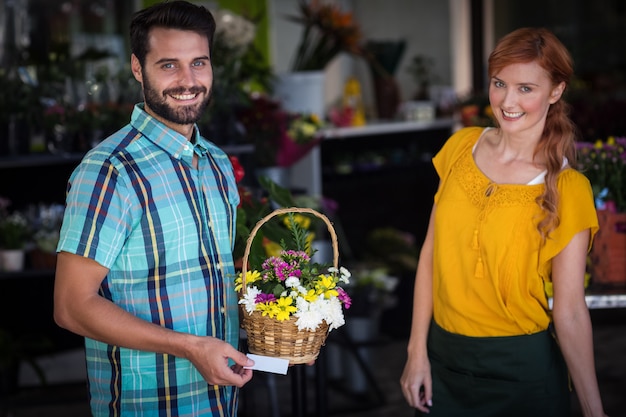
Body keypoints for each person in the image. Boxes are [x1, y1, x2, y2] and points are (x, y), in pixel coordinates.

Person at [53, 1, 254, 415]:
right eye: (168, 65)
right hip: (150, 404)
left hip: (220, 398)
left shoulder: (216, 163)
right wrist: (191, 347)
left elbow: (211, 276)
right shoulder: (110, 171)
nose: (188, 80)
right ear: (137, 68)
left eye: (199, 62)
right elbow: (72, 306)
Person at [400, 27, 609, 417]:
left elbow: (569, 311)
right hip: (442, 362)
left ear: (556, 91)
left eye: (526, 88)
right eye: (499, 84)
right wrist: (416, 353)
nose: (507, 101)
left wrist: (594, 411)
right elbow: (430, 254)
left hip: (523, 374)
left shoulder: (568, 189)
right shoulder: (460, 147)